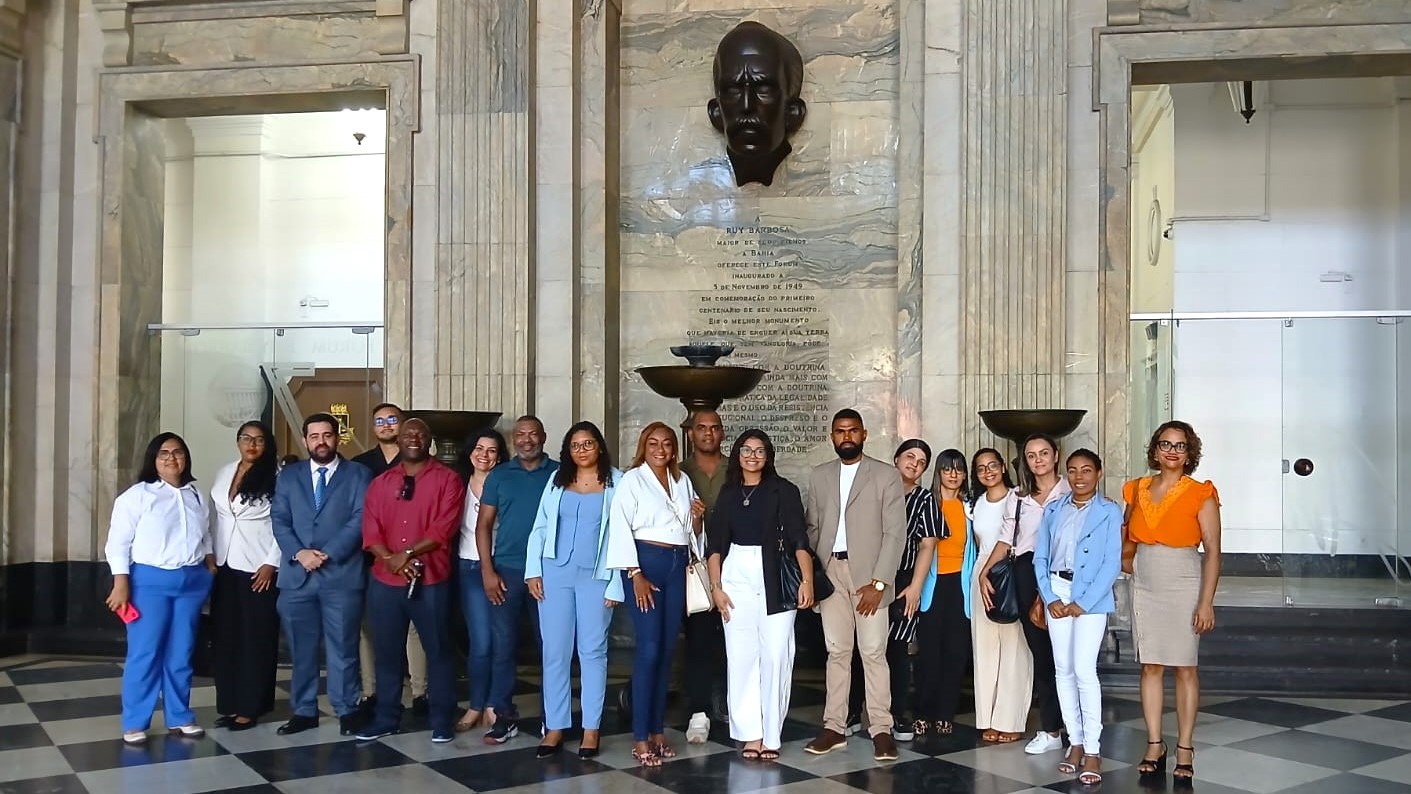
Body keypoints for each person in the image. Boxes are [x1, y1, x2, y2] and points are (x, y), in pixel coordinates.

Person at [803, 409, 907, 762]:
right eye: (839, 431)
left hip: (869, 578)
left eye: (852, 431)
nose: (846, 436)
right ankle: (834, 726)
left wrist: (879, 582)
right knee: (837, 652)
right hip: (831, 575)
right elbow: (813, 528)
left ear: (864, 434)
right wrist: (815, 575)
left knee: (874, 652)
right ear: (832, 437)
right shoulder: (819, 476)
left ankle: (881, 728)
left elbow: (895, 533)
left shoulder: (886, 475)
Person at [356, 417, 466, 743]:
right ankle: (387, 717)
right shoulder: (381, 482)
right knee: (387, 653)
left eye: (420, 433)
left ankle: (442, 719)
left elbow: (443, 528)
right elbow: (370, 529)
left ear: (429, 440)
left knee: (438, 652)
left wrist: (405, 553)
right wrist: (391, 558)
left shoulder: (448, 480)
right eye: (408, 434)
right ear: (399, 441)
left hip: (430, 580)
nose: (413, 438)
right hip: (385, 581)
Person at [526, 422, 631, 759]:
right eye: (575, 445)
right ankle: (555, 726)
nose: (582, 450)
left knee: (592, 651)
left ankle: (590, 729)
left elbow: (624, 535)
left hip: (597, 576)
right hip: (555, 573)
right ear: (567, 450)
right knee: (554, 652)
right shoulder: (557, 480)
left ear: (599, 446)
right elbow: (540, 525)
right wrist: (533, 571)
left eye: (588, 443)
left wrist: (617, 581)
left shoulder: (618, 481)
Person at [708, 429, 815, 760]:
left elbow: (800, 540)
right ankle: (749, 734)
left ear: (768, 456)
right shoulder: (728, 493)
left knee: (775, 655)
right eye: (746, 450)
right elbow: (715, 546)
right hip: (735, 572)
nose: (752, 456)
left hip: (776, 575)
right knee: (740, 658)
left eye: (759, 451)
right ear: (738, 455)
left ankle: (771, 734)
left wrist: (807, 580)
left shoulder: (784, 491)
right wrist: (716, 588)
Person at [1125, 421, 1222, 783]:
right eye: (1165, 444)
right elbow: (1126, 537)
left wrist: (1206, 601)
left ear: (1189, 453)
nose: (1171, 450)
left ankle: (1184, 747)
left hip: (1183, 579)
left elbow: (1212, 551)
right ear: (1154, 449)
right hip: (1146, 579)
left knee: (1184, 667)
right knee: (1150, 665)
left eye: (1180, 446)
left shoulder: (1202, 494)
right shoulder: (1136, 489)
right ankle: (1154, 743)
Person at [104, 433, 215, 745]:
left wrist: (209, 564)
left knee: (181, 651)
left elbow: (205, 533)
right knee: (146, 652)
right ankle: (135, 721)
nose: (171, 458)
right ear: (153, 460)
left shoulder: (195, 493)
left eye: (177, 452)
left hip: (191, 582)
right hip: (149, 583)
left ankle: (179, 716)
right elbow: (117, 544)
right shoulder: (137, 496)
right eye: (163, 453)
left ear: (186, 457)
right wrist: (121, 582)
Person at [610, 421, 706, 767]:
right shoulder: (632, 480)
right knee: (648, 649)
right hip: (646, 564)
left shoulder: (682, 481)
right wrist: (634, 574)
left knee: (667, 650)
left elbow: (692, 533)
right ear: (643, 446)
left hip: (677, 563)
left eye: (667, 444)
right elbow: (619, 526)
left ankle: (658, 729)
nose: (661, 449)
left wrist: (697, 520)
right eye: (654, 443)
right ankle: (639, 736)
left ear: (674, 449)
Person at [271, 413, 373, 737]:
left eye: (327, 435)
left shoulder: (359, 474)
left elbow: (359, 519)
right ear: (305, 441)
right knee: (301, 649)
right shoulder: (289, 476)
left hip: (341, 575)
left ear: (338, 437)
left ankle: (347, 709)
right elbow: (279, 519)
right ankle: (304, 710)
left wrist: (327, 553)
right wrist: (300, 554)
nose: (321, 442)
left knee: (343, 647)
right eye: (314, 436)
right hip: (296, 576)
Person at [1034, 449, 1124, 787]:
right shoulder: (1055, 509)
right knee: (1063, 670)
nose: (1079, 477)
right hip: (1057, 591)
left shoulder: (1109, 511)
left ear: (1098, 473)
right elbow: (1040, 557)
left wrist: (1082, 602)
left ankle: (1094, 749)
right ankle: (1075, 741)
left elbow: (1112, 563)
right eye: (1072, 471)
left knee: (1085, 670)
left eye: (1087, 470)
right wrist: (1050, 597)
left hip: (1091, 597)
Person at [848, 439, 941, 741]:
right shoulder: (874, 489)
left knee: (896, 649)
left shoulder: (924, 499)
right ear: (896, 458)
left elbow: (928, 544)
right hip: (866, 575)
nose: (914, 464)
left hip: (902, 580)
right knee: (861, 647)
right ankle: (852, 711)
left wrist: (915, 587)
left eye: (922, 461)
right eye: (910, 457)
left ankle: (896, 714)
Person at [984, 432, 1070, 755]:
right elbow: (1006, 539)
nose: (1038, 460)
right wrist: (984, 573)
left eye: (1043, 453)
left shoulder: (1070, 491)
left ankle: (1077, 729)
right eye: (1031, 455)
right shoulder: (1018, 498)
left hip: (1061, 577)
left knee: (1068, 656)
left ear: (1056, 455)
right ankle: (1051, 729)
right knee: (1042, 655)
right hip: (1025, 573)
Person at [476, 416, 559, 743]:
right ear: (513, 439)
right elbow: (484, 526)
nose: (527, 440)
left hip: (550, 572)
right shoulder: (499, 475)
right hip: (507, 571)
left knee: (550, 647)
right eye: (520, 435)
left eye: (533, 434)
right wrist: (487, 571)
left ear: (543, 436)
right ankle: (504, 716)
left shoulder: (558, 472)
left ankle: (553, 717)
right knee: (503, 645)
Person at [351, 402, 428, 717]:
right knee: (367, 628)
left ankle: (421, 692)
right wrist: (383, 554)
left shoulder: (415, 459)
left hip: (414, 556)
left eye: (392, 419)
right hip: (373, 556)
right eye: (379, 421)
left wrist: (406, 555)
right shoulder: (360, 465)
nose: (386, 425)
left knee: (415, 627)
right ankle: (371, 691)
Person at [209, 421, 282, 731]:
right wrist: (209, 552)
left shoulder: (277, 476)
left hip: (258, 567)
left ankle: (252, 705)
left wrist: (272, 563)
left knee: (256, 638)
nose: (252, 444)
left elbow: (285, 523)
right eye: (246, 438)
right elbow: (215, 516)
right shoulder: (225, 471)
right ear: (238, 441)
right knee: (226, 637)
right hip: (225, 565)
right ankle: (230, 702)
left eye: (259, 440)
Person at [971, 447, 1034, 743]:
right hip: (980, 578)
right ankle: (988, 718)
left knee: (1015, 650)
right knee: (985, 651)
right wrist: (981, 574)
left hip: (1009, 575)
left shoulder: (1019, 498)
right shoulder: (976, 504)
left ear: (1002, 467)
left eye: (992, 465)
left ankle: (1011, 720)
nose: (988, 471)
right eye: (981, 468)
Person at [914, 448, 972, 736]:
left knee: (956, 651)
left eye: (959, 469)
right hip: (930, 584)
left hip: (960, 586)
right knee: (929, 652)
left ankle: (946, 713)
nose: (953, 475)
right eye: (947, 469)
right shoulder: (927, 503)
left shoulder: (969, 507)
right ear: (938, 472)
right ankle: (924, 711)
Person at [454, 428, 508, 732]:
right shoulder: (457, 482)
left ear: (499, 457)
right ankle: (476, 704)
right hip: (469, 568)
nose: (484, 455)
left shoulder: (505, 483)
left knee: (502, 640)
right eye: (479, 448)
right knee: (481, 642)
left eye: (491, 450)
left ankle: (494, 703)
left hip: (500, 567)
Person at [680, 409, 729, 742]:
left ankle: (727, 700)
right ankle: (698, 708)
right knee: (698, 641)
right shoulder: (678, 471)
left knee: (732, 640)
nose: (708, 434)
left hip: (734, 567)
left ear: (722, 433)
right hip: (692, 570)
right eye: (701, 428)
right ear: (691, 434)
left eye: (714, 428)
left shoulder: (737, 468)